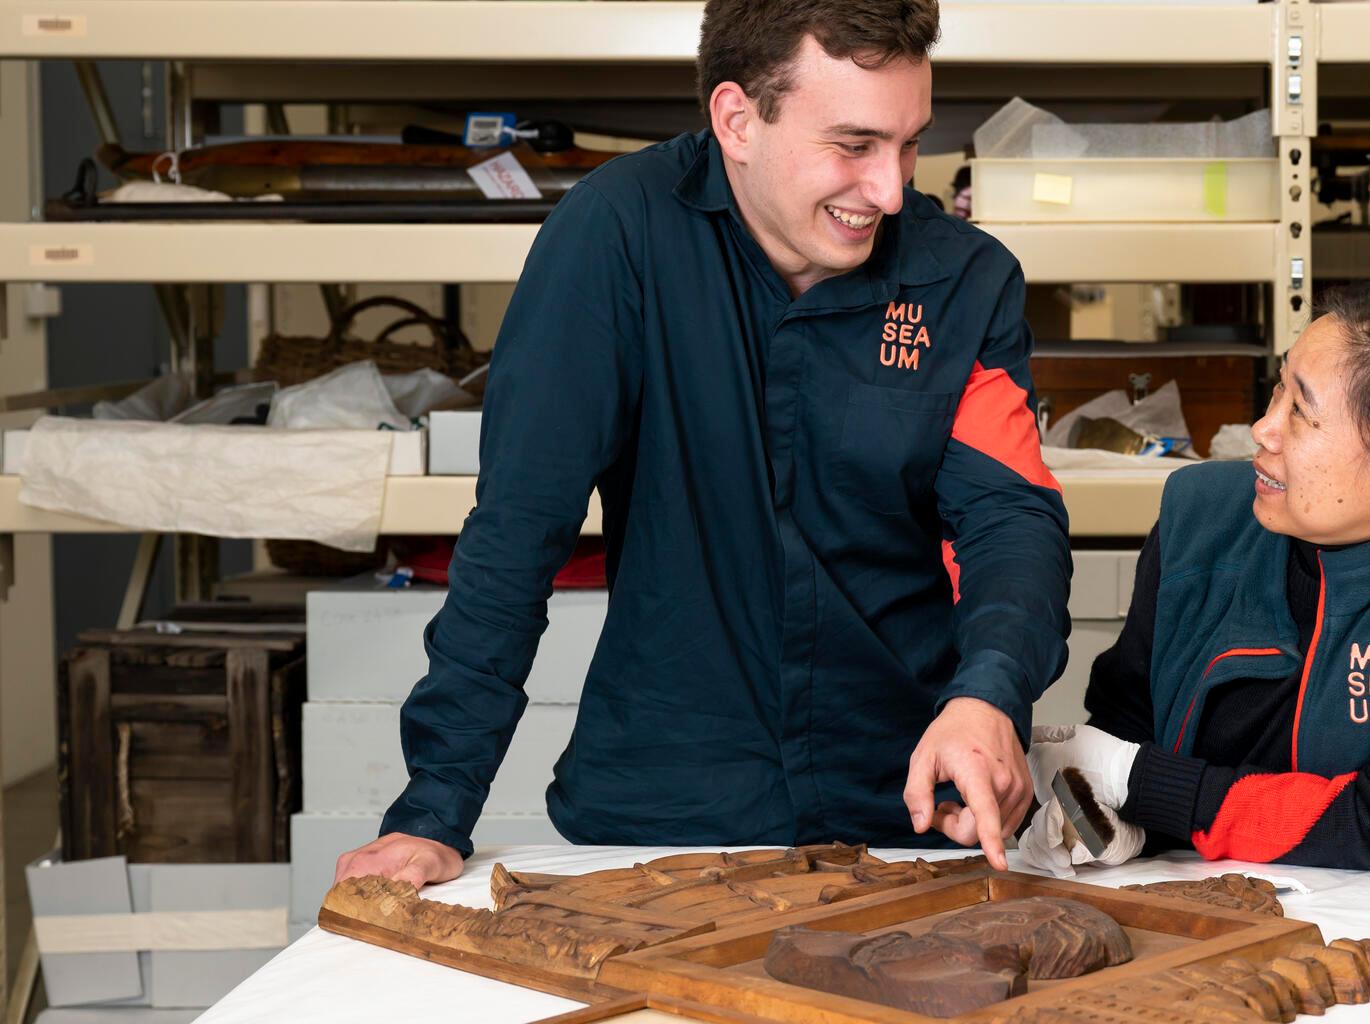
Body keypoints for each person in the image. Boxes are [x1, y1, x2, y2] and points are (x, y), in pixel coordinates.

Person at [336, 0, 1071, 890]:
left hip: (909, 809)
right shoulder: (614, 239)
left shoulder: (963, 278)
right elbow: (517, 533)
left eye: (909, 144)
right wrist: (433, 808)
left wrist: (989, 693)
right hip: (662, 819)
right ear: (737, 120)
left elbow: (1009, 521)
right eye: (852, 145)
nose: (887, 190)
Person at [1016, 284, 1370, 873]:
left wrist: (1140, 783)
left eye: (1301, 414)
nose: (1263, 428)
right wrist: (1105, 813)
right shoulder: (1202, 515)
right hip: (1195, 895)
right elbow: (1127, 720)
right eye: (1278, 389)